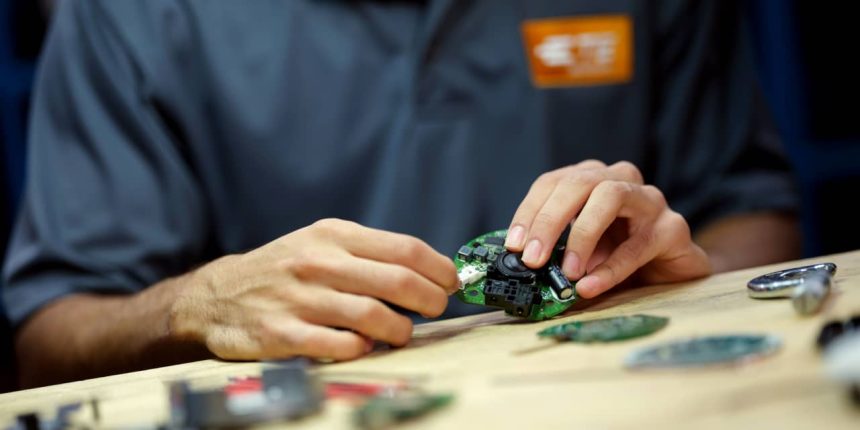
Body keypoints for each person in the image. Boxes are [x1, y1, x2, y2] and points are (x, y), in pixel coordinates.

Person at [2, 0, 800, 388]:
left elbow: (754, 216)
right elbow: (46, 339)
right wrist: (197, 303)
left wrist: (682, 277)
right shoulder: (128, 14)